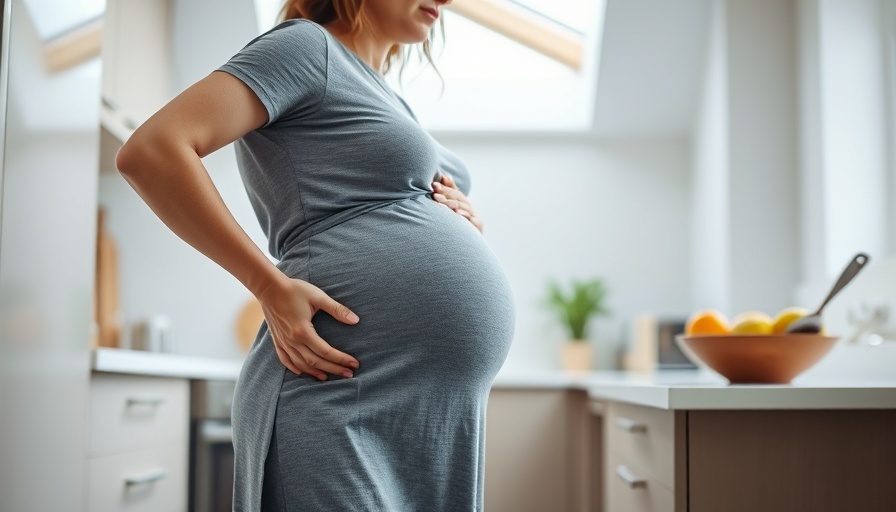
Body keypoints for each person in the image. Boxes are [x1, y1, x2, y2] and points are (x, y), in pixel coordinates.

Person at [116, 0, 515, 510]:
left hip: (432, 421)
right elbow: (152, 150)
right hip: (338, 396)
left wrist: (461, 218)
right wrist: (267, 284)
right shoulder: (305, 47)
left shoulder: (389, 97)